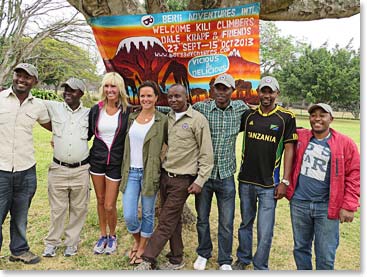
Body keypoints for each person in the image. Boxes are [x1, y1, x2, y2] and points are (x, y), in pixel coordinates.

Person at [135, 84, 214, 270]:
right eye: (170, 97)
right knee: (174, 220)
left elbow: (206, 154)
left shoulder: (198, 120)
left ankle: (147, 259)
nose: (173, 100)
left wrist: (199, 180)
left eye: (177, 96)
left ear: (186, 97)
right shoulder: (166, 117)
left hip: (183, 180)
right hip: (165, 176)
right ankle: (176, 259)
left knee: (165, 220)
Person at [233, 76, 298, 270]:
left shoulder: (286, 117)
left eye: (271, 91)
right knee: (246, 223)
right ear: (258, 92)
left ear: (277, 93)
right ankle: (243, 259)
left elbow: (289, 149)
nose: (266, 95)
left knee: (265, 229)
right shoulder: (249, 116)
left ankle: (260, 265)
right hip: (245, 181)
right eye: (263, 91)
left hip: (270, 184)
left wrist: (284, 181)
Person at [286, 103, 360, 270]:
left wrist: (349, 205)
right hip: (299, 203)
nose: (317, 119)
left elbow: (355, 175)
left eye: (322, 115)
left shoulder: (345, 143)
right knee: (300, 249)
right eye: (313, 115)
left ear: (331, 119)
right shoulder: (301, 136)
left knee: (325, 255)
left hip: (326, 207)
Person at [191, 73, 249, 270]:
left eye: (225, 88)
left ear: (232, 91)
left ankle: (224, 260)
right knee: (202, 218)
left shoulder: (241, 108)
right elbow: (179, 110)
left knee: (226, 221)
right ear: (213, 89)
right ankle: (203, 253)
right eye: (218, 88)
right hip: (204, 176)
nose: (221, 92)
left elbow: (261, 118)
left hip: (226, 176)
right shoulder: (202, 107)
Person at [0, 63, 51, 264]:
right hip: (1, 169)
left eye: (27, 77)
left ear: (34, 82)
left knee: (20, 216)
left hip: (26, 169)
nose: (21, 80)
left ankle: (19, 250)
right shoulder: (1, 100)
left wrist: (61, 137)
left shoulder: (38, 106)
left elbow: (51, 125)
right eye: (18, 75)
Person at [42, 77, 90, 258]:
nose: (67, 93)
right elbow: (31, 104)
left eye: (72, 90)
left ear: (81, 94)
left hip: (81, 170)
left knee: (79, 209)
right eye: (66, 89)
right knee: (57, 210)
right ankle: (51, 243)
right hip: (58, 169)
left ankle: (71, 243)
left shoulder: (89, 113)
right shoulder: (53, 107)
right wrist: (54, 132)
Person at [120, 81, 167, 265]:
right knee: (130, 214)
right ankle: (139, 240)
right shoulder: (132, 117)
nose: (146, 99)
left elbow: (169, 143)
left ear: (156, 98)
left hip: (150, 172)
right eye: (143, 96)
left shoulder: (162, 120)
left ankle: (141, 248)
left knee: (147, 213)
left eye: (149, 95)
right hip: (131, 171)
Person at [88, 72, 130, 255]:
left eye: (113, 86)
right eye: (106, 86)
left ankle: (112, 236)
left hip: (115, 163)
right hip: (96, 160)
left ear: (119, 88)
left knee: (109, 204)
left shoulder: (127, 111)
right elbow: (86, 133)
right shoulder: (96, 109)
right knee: (99, 200)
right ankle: (102, 235)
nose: (110, 90)